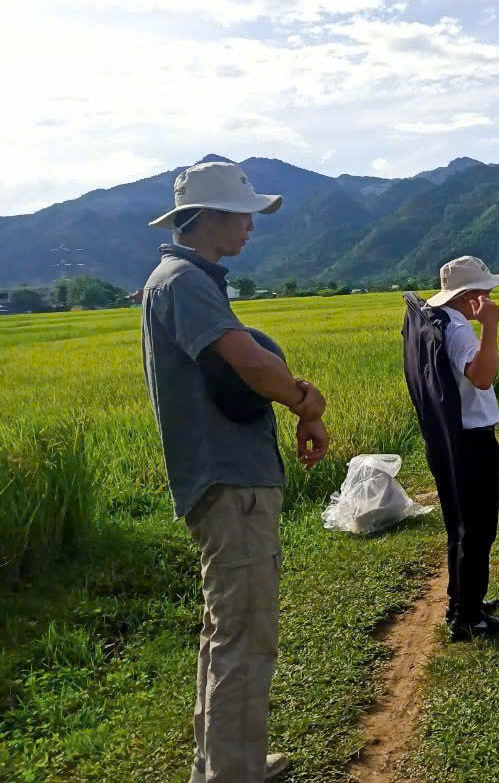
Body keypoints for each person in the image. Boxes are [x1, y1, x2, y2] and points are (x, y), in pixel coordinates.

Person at [142, 160, 330, 783]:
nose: (251, 226)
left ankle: (222, 764)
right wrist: (307, 403)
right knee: (245, 638)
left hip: (227, 482)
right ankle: (234, 775)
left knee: (226, 632)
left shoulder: (189, 280)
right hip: (230, 485)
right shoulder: (183, 281)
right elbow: (248, 360)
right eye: (243, 213)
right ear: (211, 216)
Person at [402, 256, 499, 641]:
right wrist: (490, 326)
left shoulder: (435, 320)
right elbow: (483, 377)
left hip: (450, 439)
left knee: (461, 525)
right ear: (469, 297)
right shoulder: (460, 329)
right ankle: (469, 617)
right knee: (478, 527)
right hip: (470, 439)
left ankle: (463, 600)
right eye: (484, 291)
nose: (489, 296)